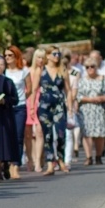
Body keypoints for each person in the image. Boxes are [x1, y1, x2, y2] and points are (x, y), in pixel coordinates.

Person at [37, 46, 70, 175]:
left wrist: (71, 105)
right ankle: (50, 163)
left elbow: (68, 90)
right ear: (48, 56)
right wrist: (33, 107)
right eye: (54, 54)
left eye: (58, 54)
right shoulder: (41, 70)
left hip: (60, 105)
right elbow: (34, 89)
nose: (57, 56)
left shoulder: (63, 69)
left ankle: (61, 160)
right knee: (47, 134)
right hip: (44, 106)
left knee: (61, 133)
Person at [77, 58, 105, 165]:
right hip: (86, 109)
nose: (90, 69)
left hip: (99, 109)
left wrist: (103, 98)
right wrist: (89, 99)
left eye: (92, 66)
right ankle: (88, 157)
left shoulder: (103, 79)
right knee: (86, 134)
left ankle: (98, 155)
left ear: (96, 67)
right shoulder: (82, 80)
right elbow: (77, 95)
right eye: (87, 67)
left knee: (100, 134)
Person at [4, 46, 30, 171]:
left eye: (10, 55)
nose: (7, 58)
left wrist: (22, 97)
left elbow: (29, 88)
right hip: (6, 107)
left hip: (20, 106)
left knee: (19, 136)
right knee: (7, 135)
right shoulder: (3, 71)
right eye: (6, 55)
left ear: (16, 56)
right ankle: (5, 163)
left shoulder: (23, 71)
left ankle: (15, 165)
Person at [26, 48, 46, 172]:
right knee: (28, 134)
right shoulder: (29, 71)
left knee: (39, 132)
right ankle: (31, 159)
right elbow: (31, 89)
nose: (41, 60)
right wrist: (32, 106)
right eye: (38, 57)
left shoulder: (45, 71)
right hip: (30, 100)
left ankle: (38, 161)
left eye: (43, 57)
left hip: (41, 101)